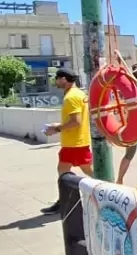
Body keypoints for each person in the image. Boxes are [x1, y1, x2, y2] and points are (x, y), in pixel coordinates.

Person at [41, 69, 93, 215]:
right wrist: (59, 125)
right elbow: (75, 120)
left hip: (75, 143)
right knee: (63, 170)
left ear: (63, 79)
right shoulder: (80, 94)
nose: (55, 82)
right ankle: (64, 201)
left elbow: (76, 122)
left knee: (89, 171)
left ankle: (110, 192)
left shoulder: (71, 97)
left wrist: (57, 129)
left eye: (56, 79)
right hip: (75, 142)